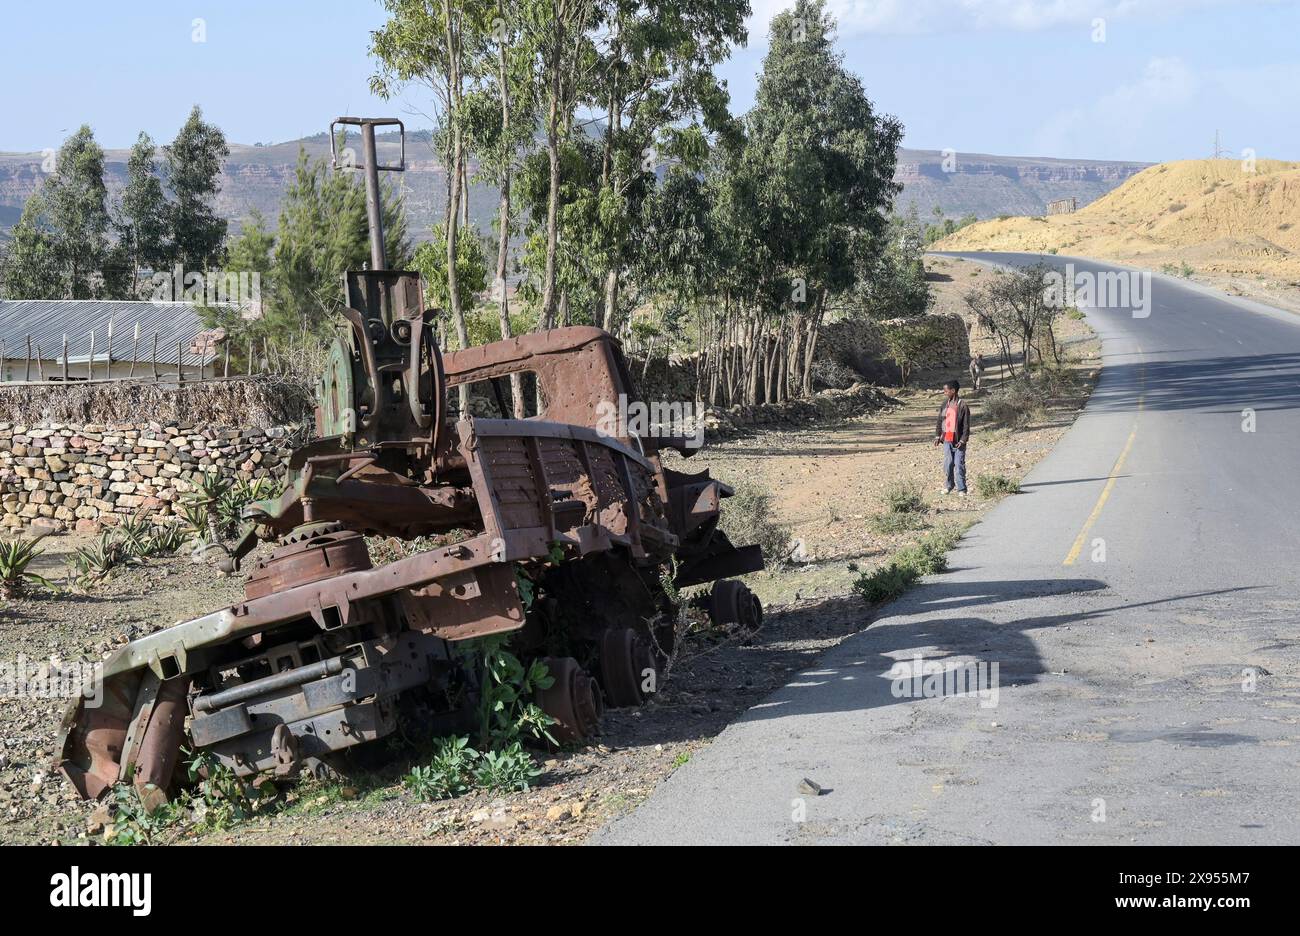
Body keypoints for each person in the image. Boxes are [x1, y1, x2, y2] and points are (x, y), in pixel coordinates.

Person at [934, 379, 970, 495]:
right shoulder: (945, 404)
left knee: (959, 465)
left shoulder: (963, 406)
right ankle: (949, 486)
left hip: (959, 441)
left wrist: (963, 440)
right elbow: (940, 421)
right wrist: (937, 436)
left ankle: (962, 489)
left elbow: (966, 426)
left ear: (953, 391)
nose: (944, 393)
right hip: (947, 440)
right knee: (948, 464)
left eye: (946, 391)